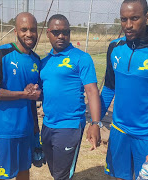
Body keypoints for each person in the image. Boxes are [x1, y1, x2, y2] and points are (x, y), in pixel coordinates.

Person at [89, 0, 148, 179]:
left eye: (134, 18)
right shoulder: (115, 47)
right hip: (119, 132)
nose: (128, 25)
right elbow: (109, 89)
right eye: (123, 19)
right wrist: (95, 123)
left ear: (147, 17)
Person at [39, 14, 101, 180]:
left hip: (70, 125)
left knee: (62, 175)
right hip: (47, 124)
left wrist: (95, 123)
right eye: (56, 32)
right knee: (54, 171)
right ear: (48, 33)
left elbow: (92, 91)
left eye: (65, 32)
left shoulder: (81, 58)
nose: (61, 36)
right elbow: (41, 91)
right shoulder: (44, 62)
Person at [0, 12, 41, 180]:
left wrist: (35, 126)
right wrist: (23, 94)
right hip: (4, 131)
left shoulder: (37, 60)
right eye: (24, 29)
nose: (29, 34)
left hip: (26, 130)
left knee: (24, 173)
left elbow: (36, 96)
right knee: (2, 176)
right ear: (16, 31)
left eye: (32, 30)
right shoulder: (1, 54)